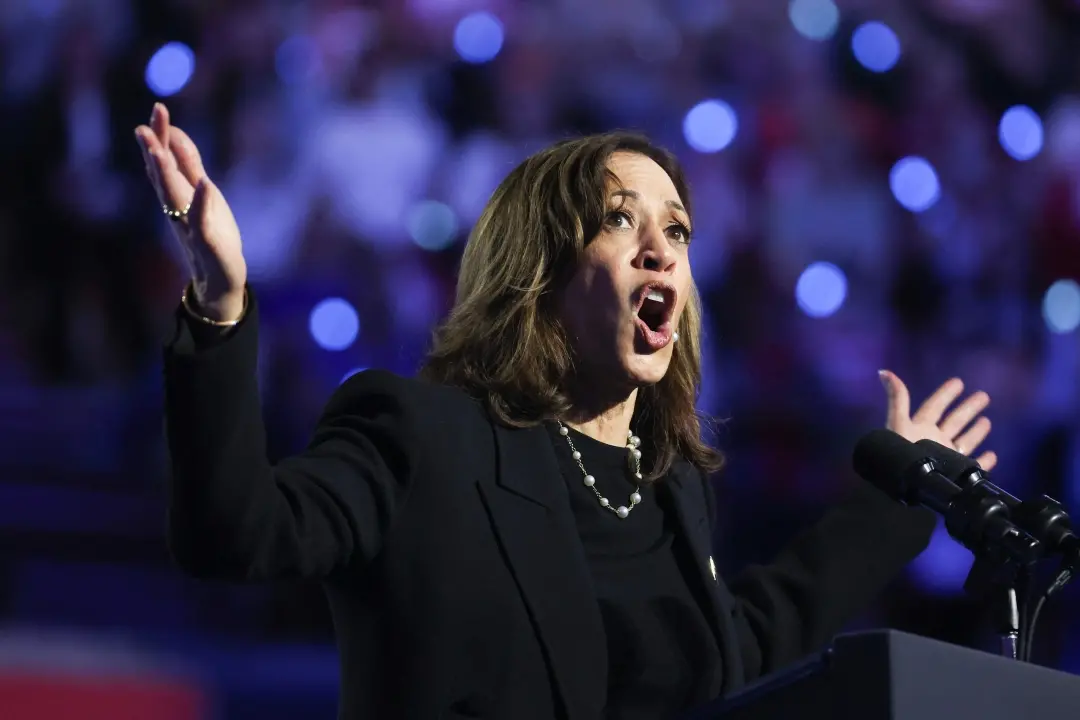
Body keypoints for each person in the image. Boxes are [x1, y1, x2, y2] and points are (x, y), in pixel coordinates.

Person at [135, 102, 997, 720]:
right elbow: (234, 535)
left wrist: (894, 500)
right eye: (620, 221)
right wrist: (219, 308)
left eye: (679, 229)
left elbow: (744, 652)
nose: (661, 247)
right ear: (539, 275)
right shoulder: (420, 434)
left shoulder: (666, 487)